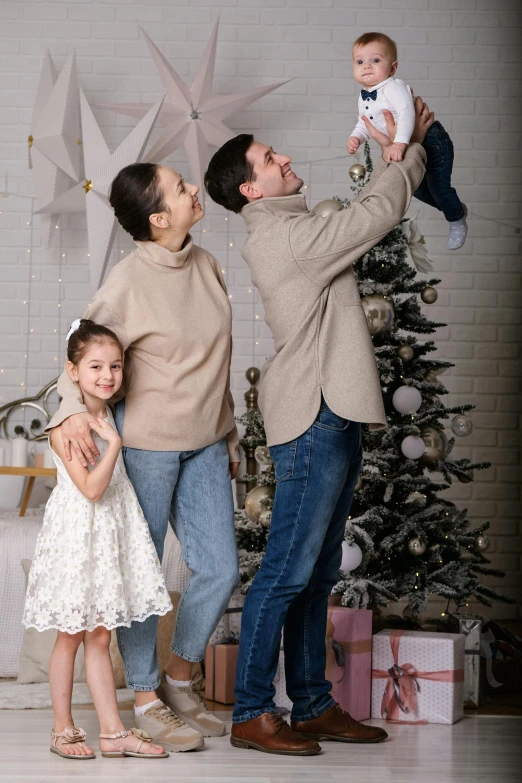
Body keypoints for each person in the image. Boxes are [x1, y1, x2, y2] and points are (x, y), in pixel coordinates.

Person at [204, 98, 433, 755]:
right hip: (314, 413)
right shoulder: (284, 238)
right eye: (272, 160)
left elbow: (355, 217)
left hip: (330, 410)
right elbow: (376, 213)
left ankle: (310, 702)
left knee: (317, 570)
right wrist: (408, 148)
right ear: (252, 189)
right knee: (286, 570)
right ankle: (251, 709)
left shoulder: (297, 227)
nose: (286, 159)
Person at [44, 164, 240, 752]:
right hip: (147, 447)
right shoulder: (126, 281)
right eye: (181, 188)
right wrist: (68, 412)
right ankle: (147, 698)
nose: (192, 191)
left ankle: (180, 677)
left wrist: (229, 434)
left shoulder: (206, 266)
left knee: (221, 568)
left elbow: (215, 362)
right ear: (158, 219)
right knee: (141, 575)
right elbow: (80, 352)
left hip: (207, 440)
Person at [24, 320, 172, 760]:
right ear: (73, 371)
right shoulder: (65, 426)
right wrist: (113, 446)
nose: (107, 376)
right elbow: (91, 489)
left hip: (108, 534)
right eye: (95, 367)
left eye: (115, 366)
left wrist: (113, 435)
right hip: (78, 536)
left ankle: (112, 731)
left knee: (101, 637)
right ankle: (62, 728)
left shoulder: (109, 414)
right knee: (70, 635)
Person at [347, 31, 467, 250]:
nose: (367, 66)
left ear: (392, 68)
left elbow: (406, 113)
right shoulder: (364, 96)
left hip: (432, 141)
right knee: (416, 189)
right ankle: (454, 207)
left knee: (439, 188)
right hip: (406, 143)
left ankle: (456, 220)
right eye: (360, 61)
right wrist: (356, 137)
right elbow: (364, 122)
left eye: (375, 60)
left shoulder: (393, 87)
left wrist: (400, 143)